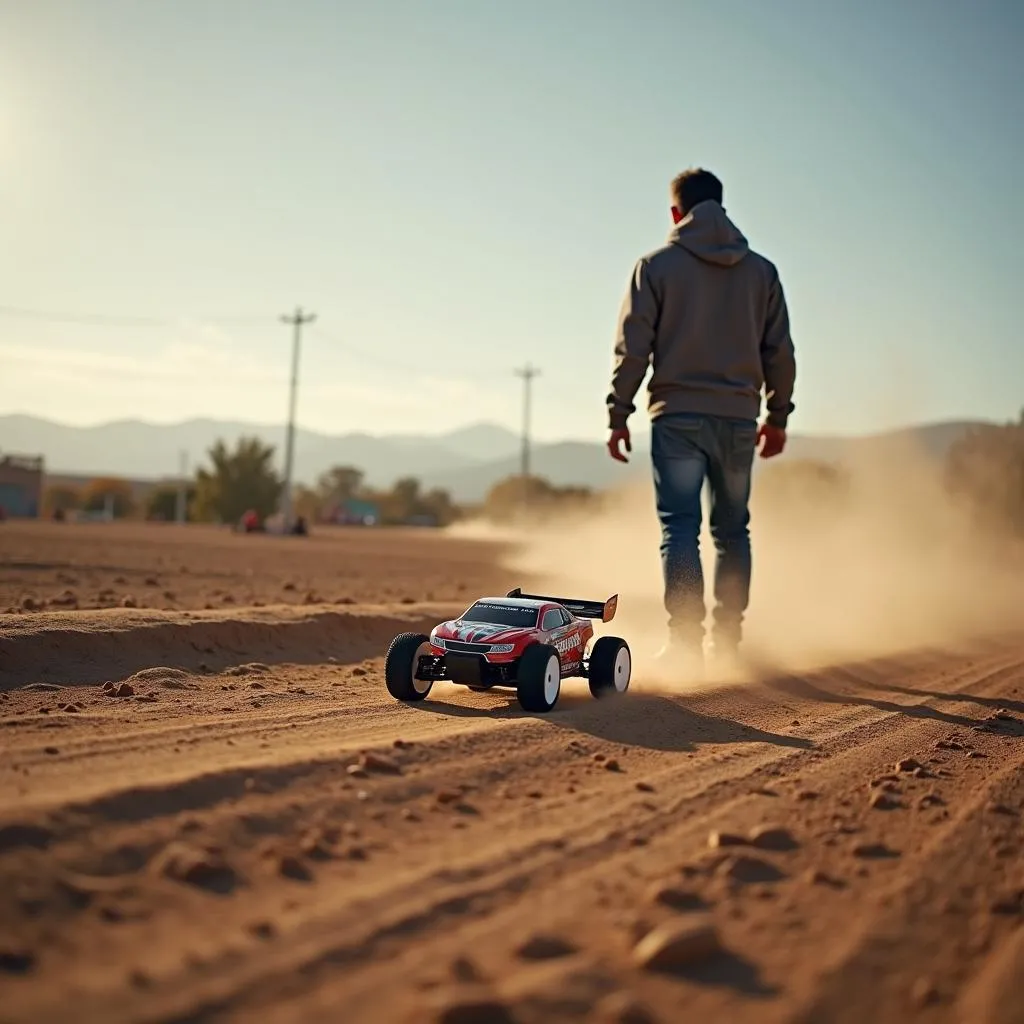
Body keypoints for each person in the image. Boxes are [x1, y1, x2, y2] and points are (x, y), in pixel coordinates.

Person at [605, 167, 796, 671]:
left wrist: (618, 413)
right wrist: (777, 416)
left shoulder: (655, 267)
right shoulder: (763, 272)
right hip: (737, 421)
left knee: (680, 530)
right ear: (723, 206)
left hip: (678, 419)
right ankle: (729, 642)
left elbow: (633, 347)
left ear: (676, 212)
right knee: (733, 532)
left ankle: (687, 644)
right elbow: (780, 352)